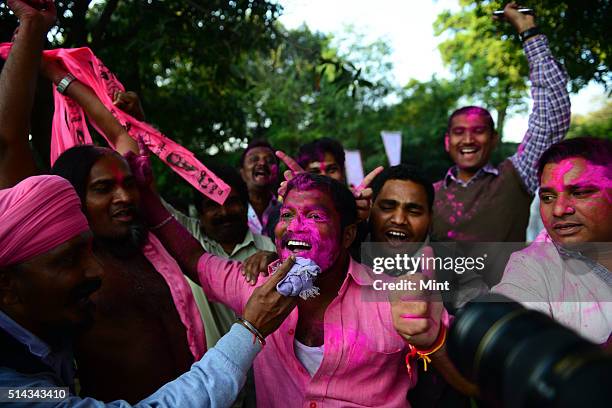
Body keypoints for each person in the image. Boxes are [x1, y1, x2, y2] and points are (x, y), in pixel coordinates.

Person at [0, 7, 209, 402]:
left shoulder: (158, 247)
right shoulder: (63, 278)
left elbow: (122, 136)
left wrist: (64, 80)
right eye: (102, 189)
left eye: (129, 184)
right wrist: (33, 31)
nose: (126, 197)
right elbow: (9, 140)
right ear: (72, 203)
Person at [140, 167, 475, 407]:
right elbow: (194, 258)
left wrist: (435, 341)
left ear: (347, 236)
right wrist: (145, 194)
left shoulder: (396, 297)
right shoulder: (258, 284)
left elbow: (471, 384)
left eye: (315, 217)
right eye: (287, 214)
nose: (295, 228)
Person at [0, 174, 298, 408]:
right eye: (67, 260)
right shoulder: (9, 389)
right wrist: (249, 331)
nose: (96, 271)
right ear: (5, 286)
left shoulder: (43, 327)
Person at [432, 2, 571, 244]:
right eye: (458, 132)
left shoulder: (517, 177)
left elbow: (552, 114)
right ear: (447, 141)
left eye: (478, 131)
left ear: (494, 139)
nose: (467, 139)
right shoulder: (427, 195)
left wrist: (529, 32)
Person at [493, 137, 612, 345]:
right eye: (548, 197)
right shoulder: (530, 268)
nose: (558, 210)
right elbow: (514, 352)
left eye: (580, 193)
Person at [166, 164, 276, 346]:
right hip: (210, 372)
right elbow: (149, 203)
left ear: (245, 205)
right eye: (212, 205)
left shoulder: (270, 248)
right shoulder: (188, 239)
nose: (224, 212)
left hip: (267, 372)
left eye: (231, 202)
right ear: (200, 213)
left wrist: (275, 263)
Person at [365, 164, 488, 313]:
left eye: (414, 211)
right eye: (387, 207)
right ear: (369, 209)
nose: (399, 219)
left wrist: (442, 327)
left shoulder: (453, 264)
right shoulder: (347, 250)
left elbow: (483, 315)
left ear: (430, 218)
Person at [239, 139, 280, 236]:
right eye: (254, 159)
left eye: (270, 161)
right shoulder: (230, 212)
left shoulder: (288, 211)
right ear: (242, 173)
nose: (262, 163)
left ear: (277, 172)